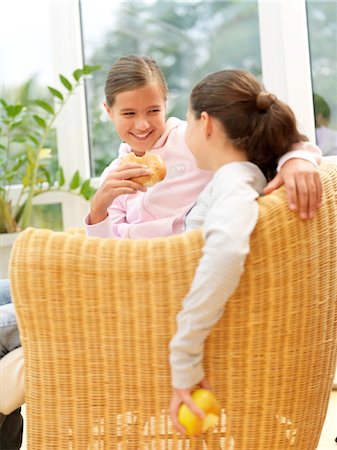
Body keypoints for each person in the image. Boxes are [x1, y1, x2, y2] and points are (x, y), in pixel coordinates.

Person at [0, 55, 322, 446]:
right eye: (129, 113)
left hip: (137, 293)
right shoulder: (117, 172)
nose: (142, 124)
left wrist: (299, 157)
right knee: (5, 289)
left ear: (180, 112)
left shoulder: (202, 148)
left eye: (153, 110)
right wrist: (99, 207)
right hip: (118, 275)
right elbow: (105, 252)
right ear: (108, 112)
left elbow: (268, 135)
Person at [168, 69, 322, 434]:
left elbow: (225, 252)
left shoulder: (234, 180)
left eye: (187, 120)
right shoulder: (250, 172)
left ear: (205, 124)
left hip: (156, 317)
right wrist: (298, 154)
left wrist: (184, 358)